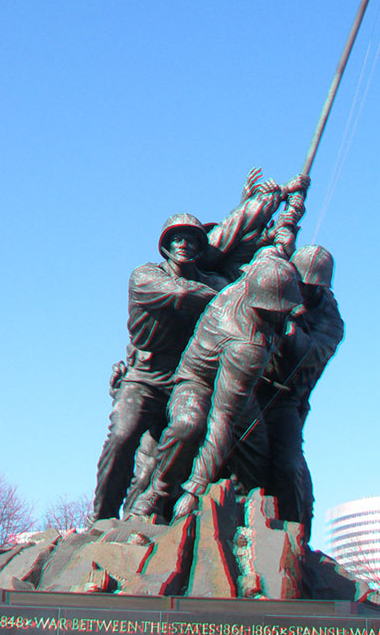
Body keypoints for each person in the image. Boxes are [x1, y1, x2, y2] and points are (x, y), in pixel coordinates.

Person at [89, 173, 308, 522]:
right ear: (165, 244)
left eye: (193, 240)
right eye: (177, 239)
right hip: (148, 378)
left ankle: (201, 511)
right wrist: (269, 199)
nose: (185, 245)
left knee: (200, 433)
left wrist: (289, 212)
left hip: (191, 376)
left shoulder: (220, 285)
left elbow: (252, 250)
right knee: (123, 436)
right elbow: (184, 292)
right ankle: (102, 519)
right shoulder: (146, 277)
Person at [128, 248, 304, 522]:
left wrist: (288, 222)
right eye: (279, 309)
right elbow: (222, 417)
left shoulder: (252, 277)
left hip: (238, 390)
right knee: (188, 423)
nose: (284, 314)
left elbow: (271, 255)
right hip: (198, 381)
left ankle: (256, 517)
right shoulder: (248, 345)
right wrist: (195, 488)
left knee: (258, 461)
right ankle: (157, 493)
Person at [256, 245, 343, 540]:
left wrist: (287, 318)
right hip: (250, 386)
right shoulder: (281, 282)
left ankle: (292, 541)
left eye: (310, 286)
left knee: (290, 467)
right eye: (299, 282)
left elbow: (310, 353)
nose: (302, 290)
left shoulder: (330, 323)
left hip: (285, 400)